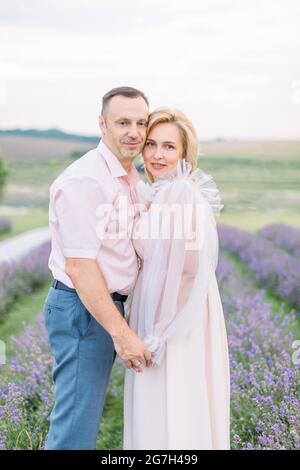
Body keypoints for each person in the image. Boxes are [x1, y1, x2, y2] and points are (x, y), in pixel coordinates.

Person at [43, 86, 152, 450]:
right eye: (123, 122)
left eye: (141, 122)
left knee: (82, 419)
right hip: (84, 309)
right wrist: (122, 335)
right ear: (102, 124)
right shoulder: (87, 181)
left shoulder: (127, 178)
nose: (134, 132)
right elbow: (80, 266)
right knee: (75, 429)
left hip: (102, 307)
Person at [123, 108, 231, 450]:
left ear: (184, 153)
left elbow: (187, 270)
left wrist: (159, 331)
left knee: (174, 402)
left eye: (169, 146)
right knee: (161, 404)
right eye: (151, 144)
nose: (157, 154)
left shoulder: (181, 194)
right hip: (158, 307)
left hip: (175, 317)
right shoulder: (158, 194)